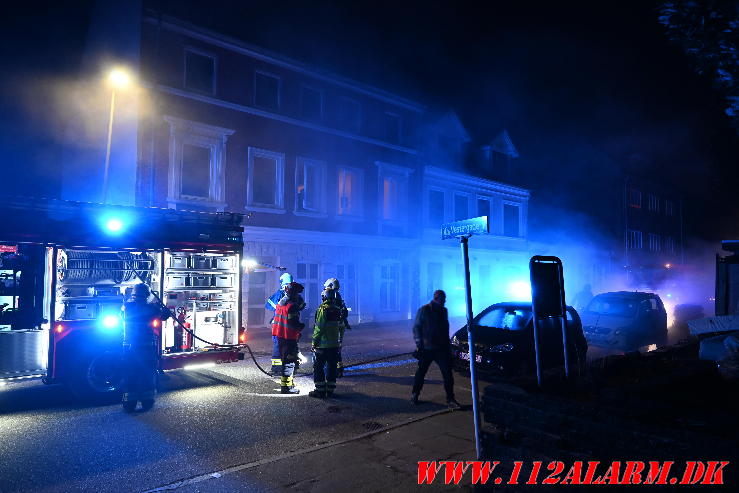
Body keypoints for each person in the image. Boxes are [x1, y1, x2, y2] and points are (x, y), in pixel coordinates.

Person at [122, 283, 168, 412]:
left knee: (130, 374)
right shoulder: (151, 309)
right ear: (147, 295)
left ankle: (129, 403)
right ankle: (147, 402)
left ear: (133, 294)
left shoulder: (126, 307)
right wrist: (160, 306)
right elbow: (165, 315)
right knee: (146, 375)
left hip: (129, 348)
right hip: (146, 348)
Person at [411, 290, 461, 408]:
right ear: (437, 298)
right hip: (427, 349)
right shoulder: (424, 310)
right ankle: (415, 394)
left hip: (440, 349)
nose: (445, 301)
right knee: (421, 373)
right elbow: (417, 328)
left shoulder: (443, 311)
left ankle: (450, 399)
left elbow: (445, 330)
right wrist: (419, 345)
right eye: (443, 299)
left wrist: (448, 348)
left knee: (447, 374)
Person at [309, 285, 347, 398]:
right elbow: (342, 327)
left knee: (319, 368)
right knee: (331, 367)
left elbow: (319, 328)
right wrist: (339, 341)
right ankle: (330, 390)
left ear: (323, 297)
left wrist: (314, 343)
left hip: (322, 346)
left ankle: (320, 390)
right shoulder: (337, 310)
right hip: (334, 346)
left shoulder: (322, 310)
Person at [271, 281, 305, 394]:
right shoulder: (292, 306)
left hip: (280, 336)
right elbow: (292, 323)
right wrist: (301, 326)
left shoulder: (282, 302)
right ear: (294, 294)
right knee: (289, 362)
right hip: (288, 337)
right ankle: (286, 387)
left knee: (287, 360)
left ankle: (288, 384)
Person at [265, 272, 300, 375]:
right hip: (290, 327)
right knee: (291, 345)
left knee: (278, 346)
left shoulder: (279, 295)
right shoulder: (294, 296)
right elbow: (301, 306)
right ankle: (291, 365)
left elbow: (269, 304)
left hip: (279, 326)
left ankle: (277, 367)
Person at [321, 278, 350, 377]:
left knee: (333, 347)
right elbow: (344, 311)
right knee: (337, 346)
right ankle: (338, 368)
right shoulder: (338, 296)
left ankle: (336, 369)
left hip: (334, 326)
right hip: (340, 325)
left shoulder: (331, 296)